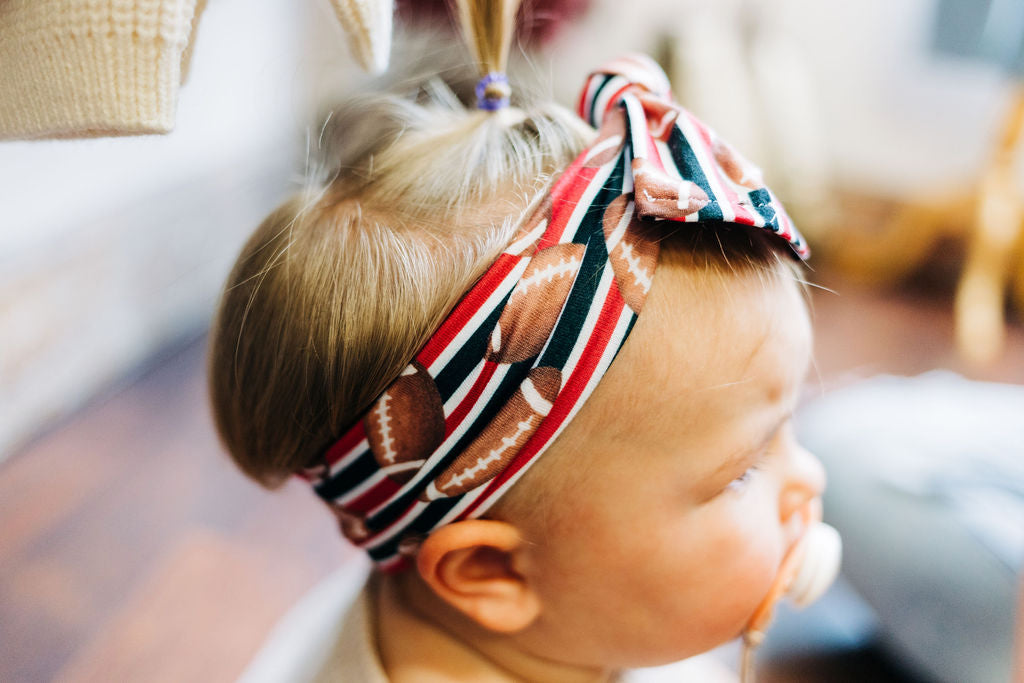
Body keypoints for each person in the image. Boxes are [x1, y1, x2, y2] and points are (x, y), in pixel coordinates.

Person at [207, 1, 828, 680]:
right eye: (742, 470)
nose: (809, 479)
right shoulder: (598, 616)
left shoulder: (581, 619)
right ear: (493, 570)